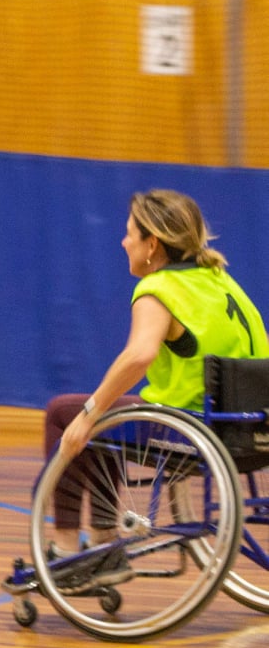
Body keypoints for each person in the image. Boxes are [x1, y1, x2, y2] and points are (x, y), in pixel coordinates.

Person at [42, 190, 265, 578]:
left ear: (152, 244)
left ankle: (66, 548)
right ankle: (101, 540)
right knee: (112, 414)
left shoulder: (158, 290)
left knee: (67, 413)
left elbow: (139, 356)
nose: (123, 242)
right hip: (250, 428)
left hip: (193, 429)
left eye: (129, 234)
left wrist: (88, 414)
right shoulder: (221, 281)